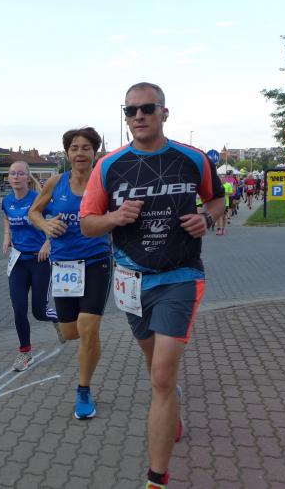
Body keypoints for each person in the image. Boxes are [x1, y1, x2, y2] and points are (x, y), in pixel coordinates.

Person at [81, 82, 225, 489]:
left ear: (164, 112)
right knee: (154, 366)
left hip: (180, 276)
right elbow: (88, 223)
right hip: (131, 281)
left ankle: (156, 479)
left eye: (147, 108)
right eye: (130, 110)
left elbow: (216, 200)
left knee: (161, 375)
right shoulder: (109, 166)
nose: (139, 116)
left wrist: (207, 218)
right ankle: (170, 407)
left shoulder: (192, 159)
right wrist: (115, 218)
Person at [28, 127, 112, 420]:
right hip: (64, 266)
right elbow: (34, 212)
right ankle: (88, 341)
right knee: (71, 332)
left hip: (97, 261)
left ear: (94, 153)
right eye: (74, 148)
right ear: (67, 153)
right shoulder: (56, 182)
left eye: (85, 148)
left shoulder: (104, 183)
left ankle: (83, 389)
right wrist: (46, 226)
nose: (80, 153)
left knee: (88, 327)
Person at [2, 160, 64, 371]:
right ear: (8, 177)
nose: (16, 177)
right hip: (18, 261)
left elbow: (59, 218)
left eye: (20, 173)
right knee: (19, 308)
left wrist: (48, 243)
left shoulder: (38, 199)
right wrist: (6, 236)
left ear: (27, 177)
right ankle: (25, 352)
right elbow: (6, 218)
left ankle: (57, 319)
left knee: (39, 312)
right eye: (12, 173)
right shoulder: (7, 201)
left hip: (40, 261)